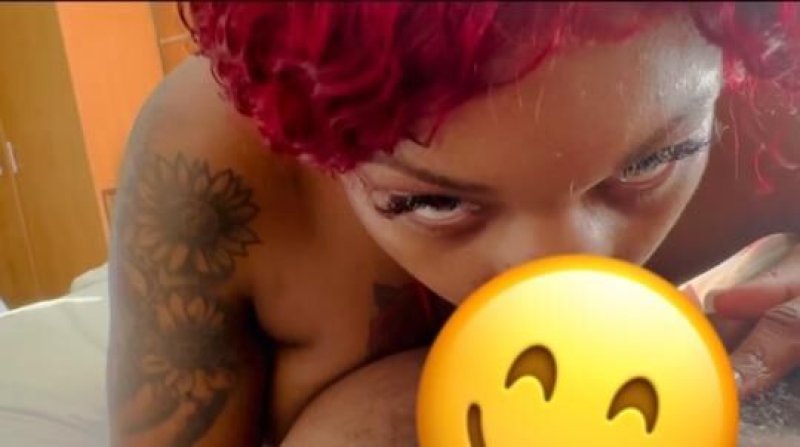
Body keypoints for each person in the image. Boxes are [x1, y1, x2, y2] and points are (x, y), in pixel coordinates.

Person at [107, 3, 800, 446]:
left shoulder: (766, 96)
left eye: (652, 161)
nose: (559, 275)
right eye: (435, 203)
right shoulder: (222, 167)